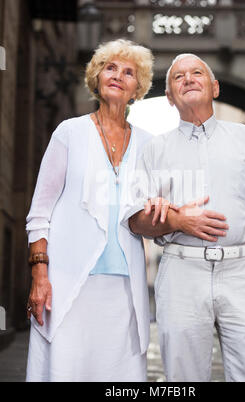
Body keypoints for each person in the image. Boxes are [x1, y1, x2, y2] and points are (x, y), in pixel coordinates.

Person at [129, 54, 245, 382]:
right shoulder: (154, 150)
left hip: (244, 272)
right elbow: (136, 220)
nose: (188, 79)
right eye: (178, 77)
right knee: (183, 378)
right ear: (170, 97)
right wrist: (176, 221)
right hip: (181, 273)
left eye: (197, 73)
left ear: (215, 88)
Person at [25, 39, 157, 382]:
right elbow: (40, 213)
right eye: (110, 67)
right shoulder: (69, 133)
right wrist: (40, 277)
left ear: (137, 88)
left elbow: (153, 211)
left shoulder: (148, 144)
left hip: (124, 291)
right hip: (69, 282)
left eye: (129, 72)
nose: (118, 76)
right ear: (96, 77)